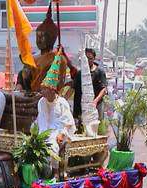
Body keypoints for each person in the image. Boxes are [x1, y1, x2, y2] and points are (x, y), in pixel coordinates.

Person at [34, 49, 76, 177]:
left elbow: (68, 123)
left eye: (45, 90)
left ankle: (55, 173)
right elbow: (39, 120)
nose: (43, 92)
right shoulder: (41, 101)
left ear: (52, 90)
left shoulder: (62, 102)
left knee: (52, 146)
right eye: (42, 89)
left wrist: (61, 134)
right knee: (29, 145)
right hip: (44, 132)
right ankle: (37, 172)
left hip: (58, 133)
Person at [73, 48, 108, 121]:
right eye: (86, 58)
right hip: (82, 108)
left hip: (95, 107)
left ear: (94, 58)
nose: (88, 61)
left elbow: (103, 89)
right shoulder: (80, 73)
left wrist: (95, 101)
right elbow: (74, 88)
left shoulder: (100, 72)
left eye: (90, 58)